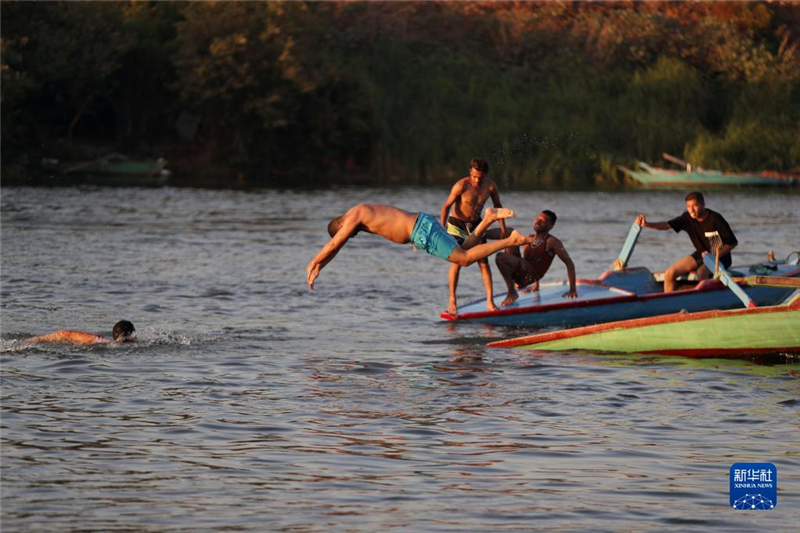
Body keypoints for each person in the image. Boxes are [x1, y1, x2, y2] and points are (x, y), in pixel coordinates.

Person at [306, 204, 532, 290]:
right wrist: (321, 266)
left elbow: (335, 243)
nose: (352, 234)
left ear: (341, 224)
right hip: (422, 224)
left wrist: (313, 262)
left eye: (350, 234)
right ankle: (488, 219)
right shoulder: (358, 210)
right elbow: (337, 247)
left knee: (464, 259)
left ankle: (511, 239)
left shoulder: (353, 217)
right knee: (463, 248)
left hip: (420, 231)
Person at [440, 158, 509, 315]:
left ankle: (490, 301)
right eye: (475, 176)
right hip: (457, 225)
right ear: (470, 171)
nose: (477, 180)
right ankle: (452, 301)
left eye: (481, 177)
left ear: (485, 175)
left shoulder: (490, 186)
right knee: (457, 262)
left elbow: (498, 207)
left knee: (483, 263)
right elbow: (445, 207)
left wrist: (503, 228)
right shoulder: (461, 185)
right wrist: (442, 229)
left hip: (477, 225)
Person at [635, 191, 738, 293]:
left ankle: (707, 302)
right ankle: (669, 304)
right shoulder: (687, 218)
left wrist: (714, 255)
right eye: (688, 206)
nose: (691, 210)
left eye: (695, 205)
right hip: (701, 254)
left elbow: (732, 243)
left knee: (701, 272)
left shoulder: (715, 218)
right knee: (670, 273)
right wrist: (647, 224)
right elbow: (667, 225)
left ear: (703, 205)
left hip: (721, 257)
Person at [495, 210, 578, 305]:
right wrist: (536, 286)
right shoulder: (530, 237)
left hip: (530, 276)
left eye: (542, 221)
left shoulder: (552, 242)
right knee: (511, 234)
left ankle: (512, 292)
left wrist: (572, 289)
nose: (538, 221)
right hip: (522, 273)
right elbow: (534, 259)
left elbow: (569, 263)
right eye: (537, 218)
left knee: (500, 257)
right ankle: (480, 233)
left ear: (550, 226)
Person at [26, 320, 137, 345]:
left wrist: (40, 339)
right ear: (134, 335)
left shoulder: (100, 340)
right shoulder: (140, 345)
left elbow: (67, 334)